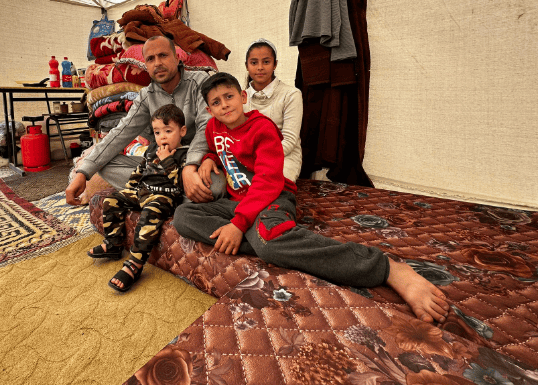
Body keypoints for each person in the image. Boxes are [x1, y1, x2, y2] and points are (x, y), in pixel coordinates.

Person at [173, 72, 449, 324]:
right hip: (238, 202)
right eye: (216, 102)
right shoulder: (213, 128)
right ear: (209, 110)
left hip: (272, 198)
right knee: (184, 216)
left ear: (243, 97)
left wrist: (238, 224)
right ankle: (263, 235)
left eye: (229, 97)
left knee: (268, 244)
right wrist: (208, 160)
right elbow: (218, 150)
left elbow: (269, 181)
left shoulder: (262, 129)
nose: (224, 105)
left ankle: (386, 268)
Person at [65, 34, 221, 207]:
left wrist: (190, 166)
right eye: (151, 59)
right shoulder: (146, 95)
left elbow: (206, 127)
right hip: (161, 168)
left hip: (197, 163)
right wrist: (83, 172)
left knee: (216, 187)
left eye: (163, 55)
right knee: (104, 165)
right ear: (145, 65)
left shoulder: (200, 82)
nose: (157, 63)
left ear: (177, 58)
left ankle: (157, 195)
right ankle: (173, 195)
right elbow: (120, 133)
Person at [89, 104, 188, 292]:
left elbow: (181, 182)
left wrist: (167, 160)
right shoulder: (152, 149)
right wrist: (130, 189)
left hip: (164, 197)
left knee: (150, 213)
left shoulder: (184, 154)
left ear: (182, 131)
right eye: (158, 133)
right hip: (142, 192)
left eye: (168, 131)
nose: (163, 137)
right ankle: (113, 244)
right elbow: (139, 170)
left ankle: (135, 263)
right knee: (112, 200)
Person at [243, 38, 303, 181]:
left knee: (271, 183)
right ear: (247, 66)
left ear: (275, 64)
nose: (260, 67)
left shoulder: (291, 94)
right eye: (254, 62)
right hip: (249, 156)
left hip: (284, 156)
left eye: (266, 61)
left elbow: (289, 140)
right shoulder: (242, 98)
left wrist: (262, 159)